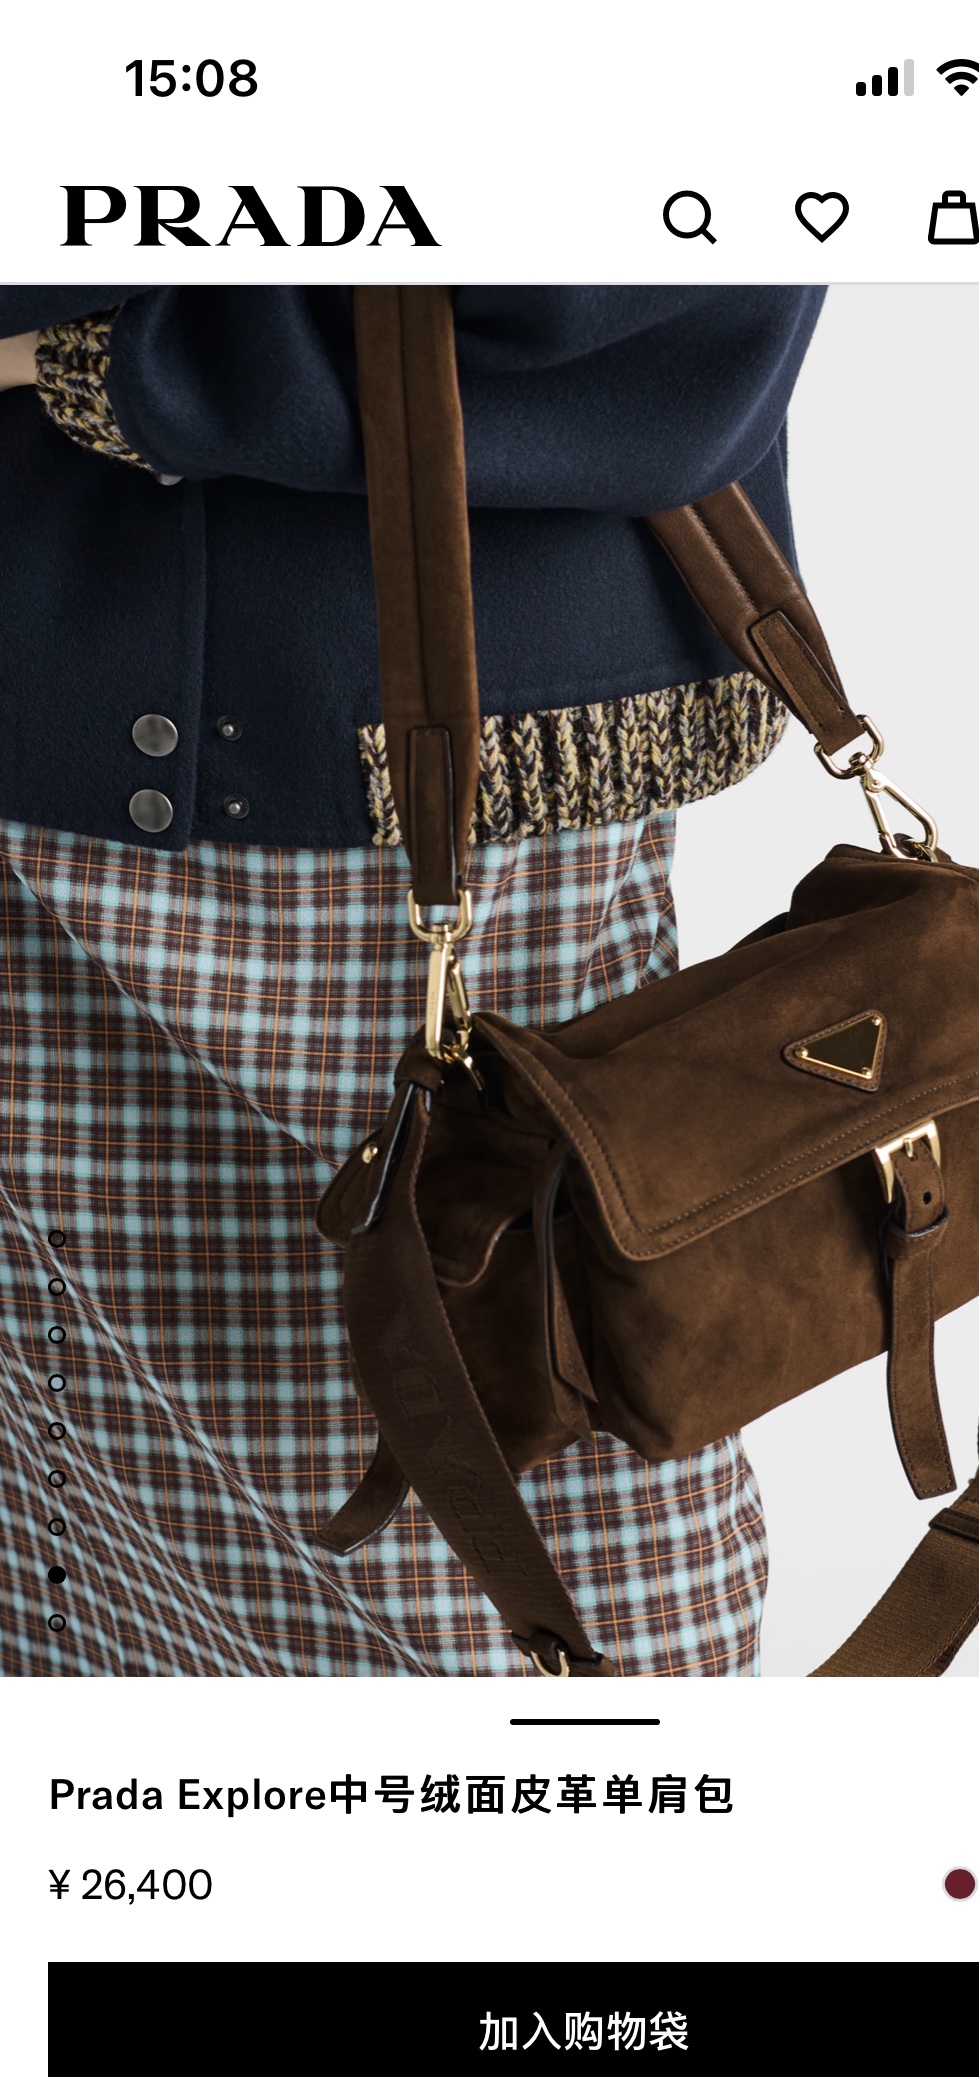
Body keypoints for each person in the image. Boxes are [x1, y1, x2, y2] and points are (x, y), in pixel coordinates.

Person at [0, 283, 824, 1678]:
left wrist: (107, 356)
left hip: (354, 798)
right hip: (127, 731)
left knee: (464, 1475)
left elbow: (632, 314)